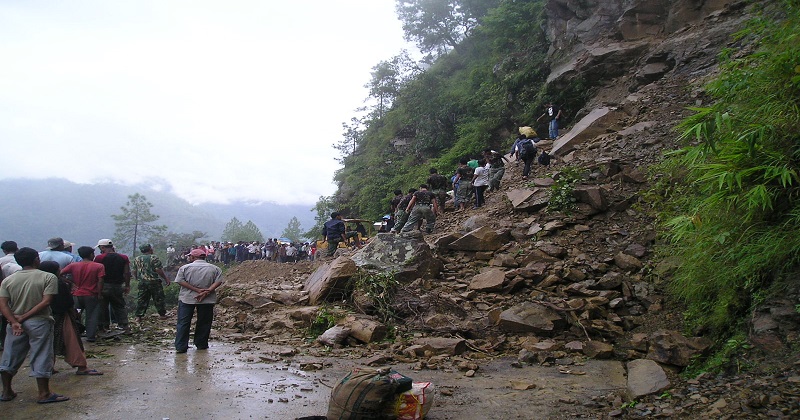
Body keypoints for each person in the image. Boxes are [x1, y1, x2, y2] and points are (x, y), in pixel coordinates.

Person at [0, 247, 69, 404]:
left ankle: (6, 391)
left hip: (15, 323)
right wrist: (25, 316)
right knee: (42, 353)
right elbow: (47, 301)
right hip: (39, 321)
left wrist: (14, 321)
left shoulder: (8, 280)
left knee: (10, 354)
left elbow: (3, 304)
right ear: (36, 259)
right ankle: (44, 393)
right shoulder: (47, 277)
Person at [39, 261, 102, 376]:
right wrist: (73, 313)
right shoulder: (58, 283)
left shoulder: (39, 282)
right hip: (61, 315)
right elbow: (67, 302)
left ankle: (48, 367)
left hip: (44, 315)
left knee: (48, 342)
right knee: (72, 341)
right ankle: (81, 366)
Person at [173, 248, 223, 353]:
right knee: (204, 322)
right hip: (207, 299)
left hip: (187, 298)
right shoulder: (215, 268)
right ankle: (201, 344)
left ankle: (181, 346)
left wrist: (196, 290)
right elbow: (218, 281)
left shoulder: (185, 268)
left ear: (193, 257)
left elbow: (180, 281)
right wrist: (207, 291)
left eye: (189, 256)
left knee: (183, 322)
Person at [61, 246, 105, 342]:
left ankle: (76, 335)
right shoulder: (98, 266)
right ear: (90, 255)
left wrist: (70, 283)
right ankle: (90, 336)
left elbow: (59, 274)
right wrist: (100, 293)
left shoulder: (73, 265)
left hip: (76, 295)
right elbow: (100, 281)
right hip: (91, 295)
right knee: (92, 316)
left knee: (76, 315)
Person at [94, 239, 131, 335]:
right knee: (119, 306)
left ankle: (103, 327)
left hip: (104, 285)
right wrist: (127, 285)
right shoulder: (123, 257)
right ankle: (124, 326)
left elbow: (97, 273)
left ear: (102, 247)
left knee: (102, 307)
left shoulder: (99, 258)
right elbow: (127, 273)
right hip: (118, 286)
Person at [132, 244, 170, 322]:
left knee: (142, 298)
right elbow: (158, 270)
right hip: (154, 281)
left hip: (142, 282)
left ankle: (138, 316)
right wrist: (166, 279)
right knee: (158, 298)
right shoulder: (153, 257)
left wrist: (136, 278)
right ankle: (162, 314)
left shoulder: (137, 259)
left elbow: (134, 270)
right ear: (149, 249)